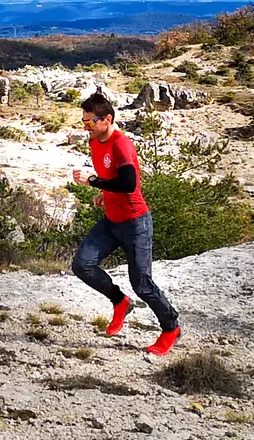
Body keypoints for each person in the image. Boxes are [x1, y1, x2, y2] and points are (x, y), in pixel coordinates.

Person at [71, 92, 181, 356]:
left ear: (106, 119)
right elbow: (114, 179)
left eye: (89, 122)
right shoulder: (95, 141)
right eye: (83, 122)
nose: (86, 127)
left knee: (142, 283)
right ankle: (120, 301)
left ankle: (171, 327)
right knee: (82, 265)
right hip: (111, 220)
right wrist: (103, 193)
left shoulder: (122, 145)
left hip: (135, 224)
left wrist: (94, 182)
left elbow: (129, 183)